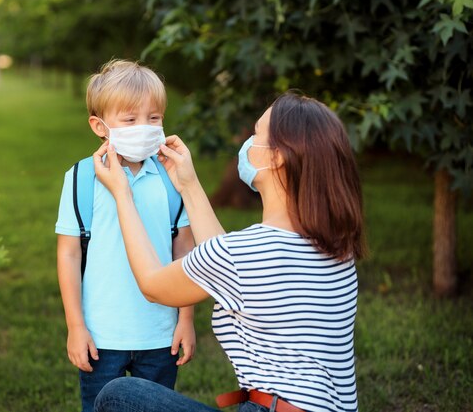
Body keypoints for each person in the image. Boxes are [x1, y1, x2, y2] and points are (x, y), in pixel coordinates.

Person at [92, 91, 367, 412]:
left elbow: (153, 284)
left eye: (257, 134)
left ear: (277, 156)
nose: (248, 143)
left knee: (119, 395)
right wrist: (188, 184)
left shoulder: (244, 253)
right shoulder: (335, 246)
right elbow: (223, 261)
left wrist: (122, 194)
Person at [55, 59, 196, 412]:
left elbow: (186, 250)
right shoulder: (81, 179)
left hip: (160, 334)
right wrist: (76, 326)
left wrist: (186, 319)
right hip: (101, 336)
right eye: (130, 120)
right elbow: (69, 254)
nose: (144, 128)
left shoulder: (172, 178)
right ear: (99, 126)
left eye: (155, 118)